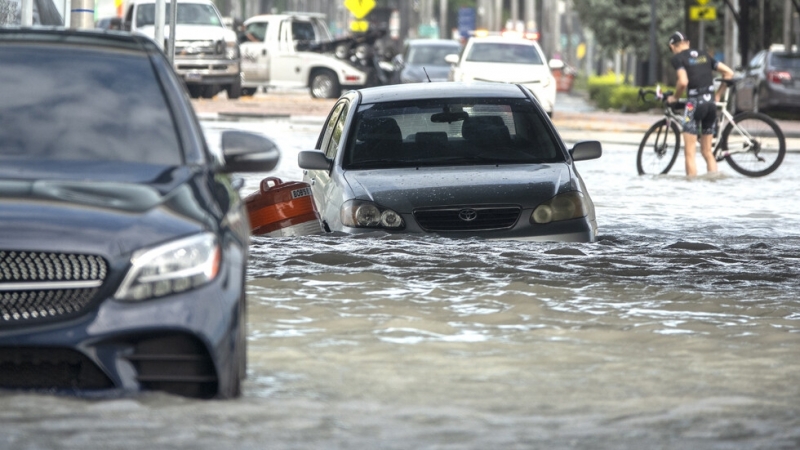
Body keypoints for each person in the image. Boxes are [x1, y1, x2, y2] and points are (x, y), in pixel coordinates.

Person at [666, 31, 735, 177]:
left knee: (690, 153)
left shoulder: (678, 58)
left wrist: (674, 97)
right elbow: (729, 73)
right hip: (710, 105)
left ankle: (691, 191)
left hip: (693, 105)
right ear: (688, 43)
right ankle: (713, 183)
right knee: (707, 152)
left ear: (672, 46)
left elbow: (683, 82)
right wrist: (718, 95)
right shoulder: (704, 55)